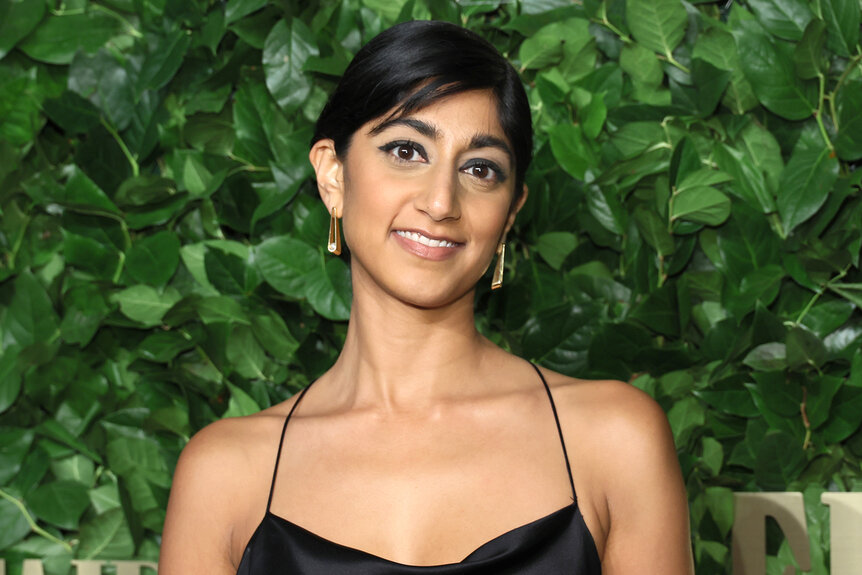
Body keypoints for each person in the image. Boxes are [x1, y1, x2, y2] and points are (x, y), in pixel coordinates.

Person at [160, 20, 694, 574]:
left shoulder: (613, 440)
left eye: (480, 169)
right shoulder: (226, 473)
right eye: (406, 151)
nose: (441, 201)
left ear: (510, 212)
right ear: (333, 176)